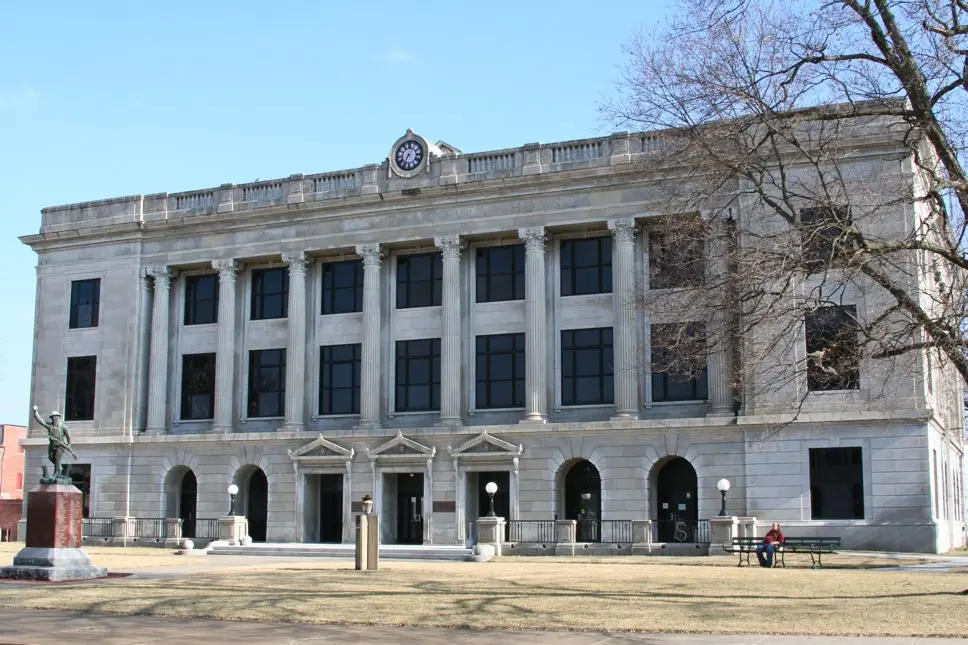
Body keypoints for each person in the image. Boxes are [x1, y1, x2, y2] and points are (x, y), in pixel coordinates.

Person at [32, 405, 75, 478]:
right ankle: (59, 468)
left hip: (60, 446)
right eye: (53, 417)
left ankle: (56, 473)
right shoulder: (49, 425)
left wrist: (69, 444)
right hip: (52, 445)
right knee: (51, 457)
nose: (54, 418)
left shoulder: (63, 426)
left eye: (56, 416)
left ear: (58, 417)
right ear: (52, 418)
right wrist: (35, 412)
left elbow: (68, 436)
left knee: (57, 458)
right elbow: (41, 421)